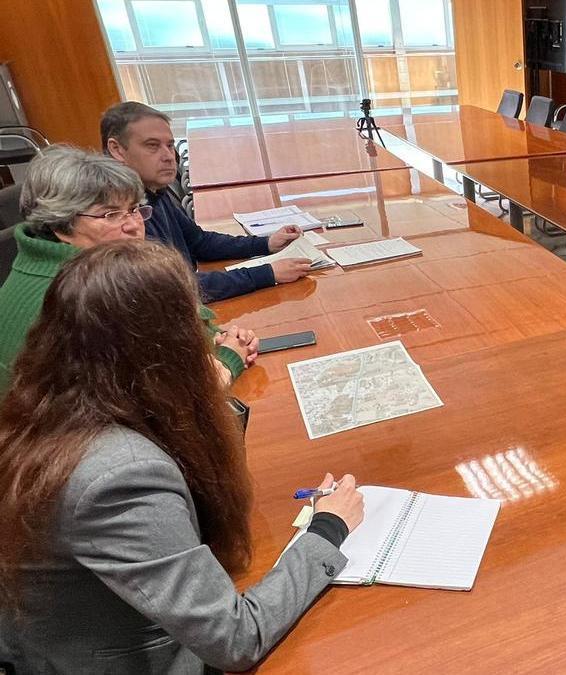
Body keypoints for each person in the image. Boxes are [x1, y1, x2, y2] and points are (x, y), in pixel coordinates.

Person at [0, 240, 365, 672]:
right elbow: (236, 639)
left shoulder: (53, 400)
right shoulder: (118, 476)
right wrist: (327, 528)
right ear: (165, 346)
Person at [0, 146, 256, 393]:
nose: (134, 226)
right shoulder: (94, 291)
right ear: (61, 225)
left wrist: (214, 337)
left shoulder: (38, 261)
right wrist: (229, 357)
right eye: (111, 215)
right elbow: (181, 396)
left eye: (134, 209)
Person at [101, 101, 312, 302]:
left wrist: (265, 243)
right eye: (152, 146)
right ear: (117, 149)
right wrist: (267, 273)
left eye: (169, 145)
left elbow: (200, 243)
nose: (169, 156)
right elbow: (171, 287)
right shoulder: (116, 217)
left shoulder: (154, 192)